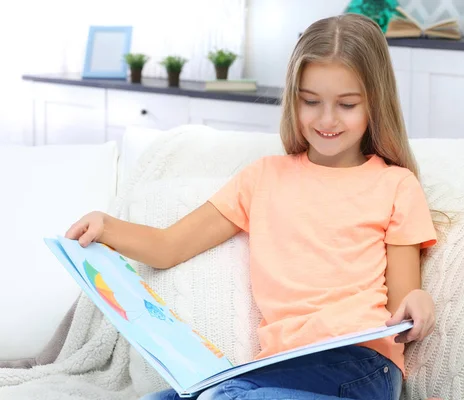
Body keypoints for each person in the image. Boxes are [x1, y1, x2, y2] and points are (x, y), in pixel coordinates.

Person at [67, 13, 439, 400]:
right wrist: (107, 227)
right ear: (293, 98)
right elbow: (168, 247)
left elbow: (402, 305)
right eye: (311, 101)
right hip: (274, 368)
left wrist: (418, 302)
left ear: (375, 103)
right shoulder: (262, 178)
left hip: (362, 365)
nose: (327, 119)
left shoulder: (395, 184)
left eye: (346, 105)